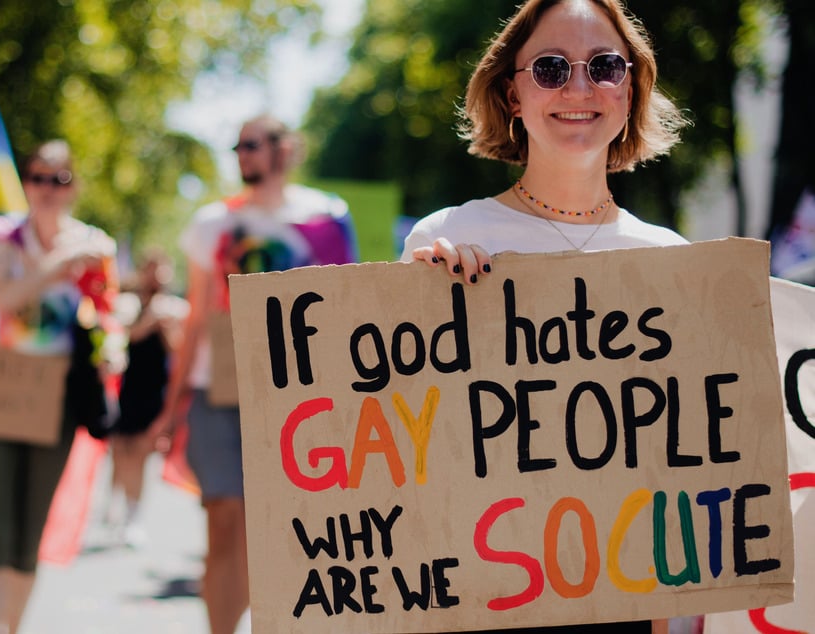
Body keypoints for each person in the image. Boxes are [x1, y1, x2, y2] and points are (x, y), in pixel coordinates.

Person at [402, 1, 689, 633]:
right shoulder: (448, 235)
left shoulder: (675, 263)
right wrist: (423, 307)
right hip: (485, 593)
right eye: (553, 68)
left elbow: (684, 470)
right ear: (513, 93)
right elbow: (408, 442)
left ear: (631, 86)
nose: (580, 88)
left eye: (606, 66)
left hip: (626, 597)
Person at [158, 114, 357, 634]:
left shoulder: (327, 217)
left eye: (252, 145)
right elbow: (197, 315)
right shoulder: (213, 223)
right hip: (216, 389)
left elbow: (346, 307)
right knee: (223, 520)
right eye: (237, 146)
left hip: (299, 395)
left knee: (285, 530)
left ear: (284, 149)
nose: (242, 155)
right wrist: (171, 406)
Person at [0, 139, 117, 634]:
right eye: (38, 177)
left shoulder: (96, 244)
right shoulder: (3, 236)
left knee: (29, 535)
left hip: (58, 398)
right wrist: (57, 263)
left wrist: (113, 345)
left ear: (72, 186)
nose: (48, 189)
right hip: (2, 390)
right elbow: (6, 300)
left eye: (59, 179)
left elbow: (107, 315)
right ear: (26, 181)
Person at [107, 248, 187, 547]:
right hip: (125, 388)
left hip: (155, 391)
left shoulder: (175, 308)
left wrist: (166, 328)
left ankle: (133, 515)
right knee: (121, 449)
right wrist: (149, 320)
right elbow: (124, 337)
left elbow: (179, 350)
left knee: (140, 452)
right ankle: (117, 500)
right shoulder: (130, 304)